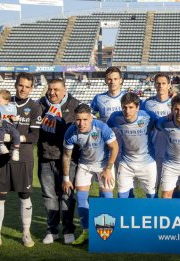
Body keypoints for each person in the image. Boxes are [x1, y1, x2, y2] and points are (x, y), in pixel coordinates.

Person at [0, 72, 42, 252]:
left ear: (32, 88)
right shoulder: (2, 102)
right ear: (15, 84)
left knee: (24, 196)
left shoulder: (34, 108)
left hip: (23, 157)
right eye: (21, 85)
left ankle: (26, 233)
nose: (23, 89)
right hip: (2, 156)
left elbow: (35, 136)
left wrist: (17, 138)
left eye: (27, 86)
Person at [62, 104, 118, 245]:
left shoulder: (101, 127)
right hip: (85, 165)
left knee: (107, 197)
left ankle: (108, 233)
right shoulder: (71, 131)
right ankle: (86, 231)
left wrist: (108, 169)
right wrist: (66, 179)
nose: (81, 123)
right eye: (78, 120)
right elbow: (66, 156)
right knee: (81, 197)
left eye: (85, 119)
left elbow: (114, 147)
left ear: (91, 118)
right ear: (75, 119)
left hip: (103, 165)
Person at [37, 79, 80, 245]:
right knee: (49, 196)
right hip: (46, 158)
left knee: (67, 196)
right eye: (50, 89)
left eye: (56, 90)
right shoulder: (40, 105)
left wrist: (59, 120)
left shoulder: (75, 104)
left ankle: (68, 229)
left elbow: (80, 130)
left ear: (64, 90)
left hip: (69, 159)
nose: (52, 93)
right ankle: (52, 230)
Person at [90, 66, 135, 197]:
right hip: (105, 146)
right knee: (105, 179)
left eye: (115, 79)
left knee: (127, 182)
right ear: (105, 80)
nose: (112, 82)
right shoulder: (98, 98)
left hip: (126, 146)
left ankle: (128, 213)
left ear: (121, 80)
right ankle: (105, 208)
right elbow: (90, 116)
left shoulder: (129, 99)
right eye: (109, 79)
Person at [107, 93, 157, 198]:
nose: (127, 111)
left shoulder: (148, 116)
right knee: (122, 197)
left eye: (131, 107)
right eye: (124, 107)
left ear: (137, 107)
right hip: (126, 163)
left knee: (152, 198)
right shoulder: (115, 117)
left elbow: (163, 123)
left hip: (147, 163)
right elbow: (106, 129)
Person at [141, 73, 180, 198]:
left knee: (174, 187)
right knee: (153, 186)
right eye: (158, 83)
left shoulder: (176, 104)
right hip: (153, 152)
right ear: (154, 84)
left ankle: (176, 215)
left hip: (172, 152)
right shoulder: (147, 104)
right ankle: (155, 215)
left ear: (169, 85)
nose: (161, 86)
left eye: (164, 83)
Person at [0, 89, 21, 162]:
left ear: (6, 101)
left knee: (17, 134)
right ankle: (1, 145)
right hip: (2, 126)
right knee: (0, 131)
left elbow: (15, 121)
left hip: (10, 126)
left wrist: (14, 120)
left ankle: (16, 151)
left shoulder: (12, 108)